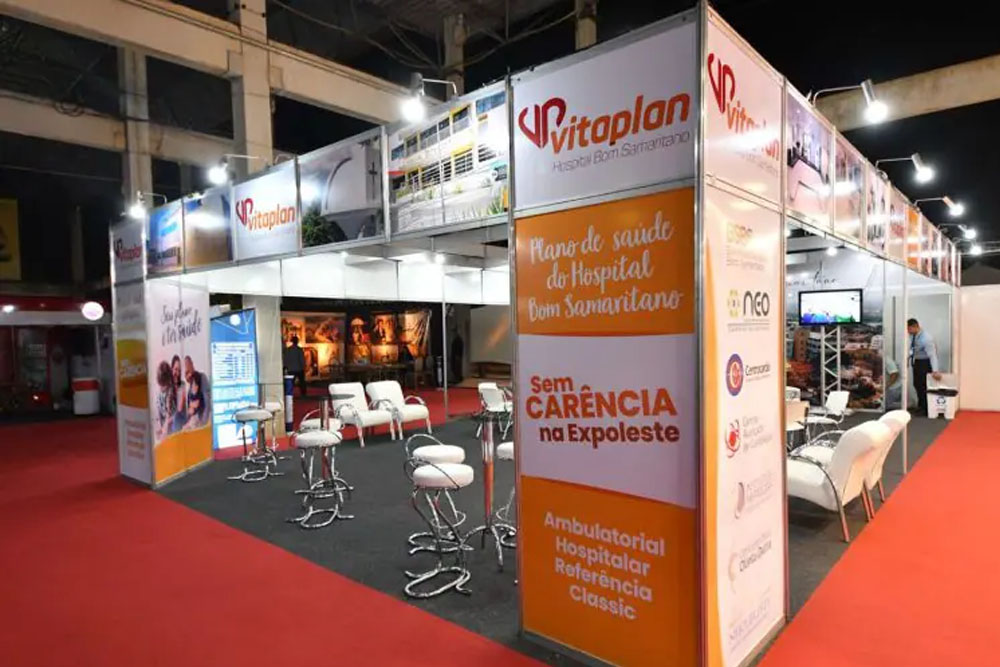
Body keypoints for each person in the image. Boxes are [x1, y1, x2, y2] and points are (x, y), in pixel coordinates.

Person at [907, 318, 942, 414]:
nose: (908, 332)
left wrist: (935, 371)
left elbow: (932, 355)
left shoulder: (926, 338)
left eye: (909, 329)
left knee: (923, 386)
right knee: (917, 384)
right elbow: (913, 349)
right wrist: (907, 358)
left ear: (915, 326)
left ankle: (926, 408)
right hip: (917, 362)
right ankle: (920, 405)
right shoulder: (913, 335)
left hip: (925, 363)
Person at [183, 355, 210, 428]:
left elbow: (207, 400)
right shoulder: (190, 389)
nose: (187, 367)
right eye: (185, 366)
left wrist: (204, 421)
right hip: (193, 418)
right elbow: (190, 409)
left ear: (192, 364)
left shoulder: (201, 377)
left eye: (188, 364)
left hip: (200, 418)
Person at [154, 360, 176, 442]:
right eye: (160, 385)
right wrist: (159, 426)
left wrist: (165, 429)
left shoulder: (170, 392)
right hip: (164, 423)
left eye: (164, 385)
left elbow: (169, 415)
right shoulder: (159, 393)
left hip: (171, 423)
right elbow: (158, 412)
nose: (162, 388)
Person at [170, 355, 187, 433]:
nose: (178, 373)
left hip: (180, 419)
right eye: (176, 369)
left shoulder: (182, 385)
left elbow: (179, 409)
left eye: (179, 371)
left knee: (176, 417)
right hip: (170, 421)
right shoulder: (168, 386)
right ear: (171, 369)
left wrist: (167, 422)